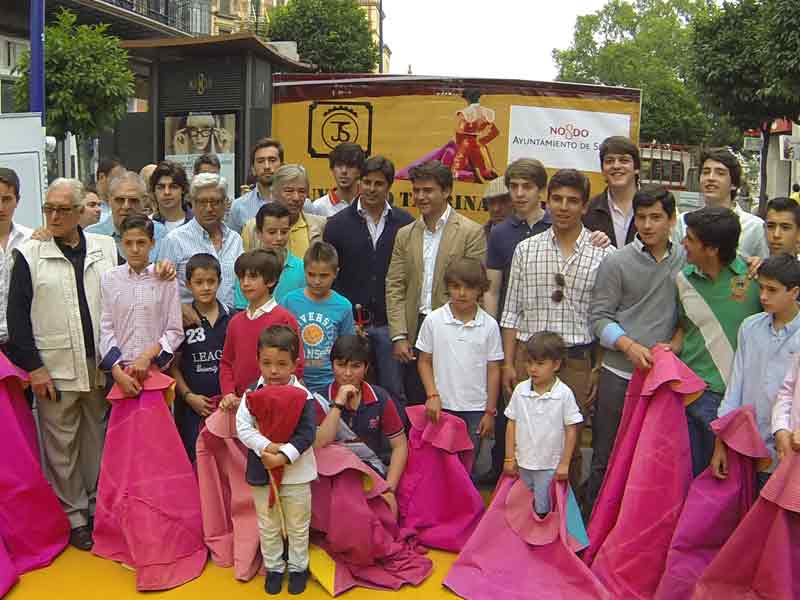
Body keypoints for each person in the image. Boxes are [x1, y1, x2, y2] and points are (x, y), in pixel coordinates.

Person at [7, 178, 118, 550]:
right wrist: (34, 368)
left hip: (100, 363)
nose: (53, 216)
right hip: (54, 367)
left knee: (97, 441)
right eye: (48, 209)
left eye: (62, 210)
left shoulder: (105, 247)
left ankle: (96, 508)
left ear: (79, 213)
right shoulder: (30, 253)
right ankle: (74, 519)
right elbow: (17, 316)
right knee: (61, 446)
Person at [500, 169, 613, 501]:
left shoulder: (602, 254)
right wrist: (509, 363)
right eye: (558, 199)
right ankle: (523, 521)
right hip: (527, 359)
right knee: (525, 441)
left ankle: (565, 525)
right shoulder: (525, 250)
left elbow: (604, 317)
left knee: (570, 446)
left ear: (583, 206)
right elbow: (511, 311)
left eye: (573, 201)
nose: (564, 207)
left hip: (576, 362)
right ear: (547, 202)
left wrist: (597, 368)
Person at [587, 185, 685, 510]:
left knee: (651, 463)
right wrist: (627, 346)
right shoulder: (616, 262)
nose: (647, 225)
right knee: (606, 455)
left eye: (656, 217)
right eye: (641, 217)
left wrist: (674, 343)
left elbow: (691, 315)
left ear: (671, 220)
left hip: (664, 379)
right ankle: (592, 532)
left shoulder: (686, 261)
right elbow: (599, 318)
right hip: (618, 374)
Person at [386, 160, 487, 406]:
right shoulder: (405, 234)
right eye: (416, 190)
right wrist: (399, 335)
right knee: (417, 403)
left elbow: (475, 287)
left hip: (456, 328)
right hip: (415, 328)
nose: (421, 196)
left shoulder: (470, 232)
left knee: (452, 402)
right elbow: (395, 285)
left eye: (428, 190)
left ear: (446, 191)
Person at [674, 206, 762, 476]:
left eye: (689, 238)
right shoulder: (682, 280)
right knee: (692, 482)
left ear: (711, 248)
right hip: (691, 396)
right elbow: (683, 329)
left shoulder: (756, 278)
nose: (682, 243)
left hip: (737, 402)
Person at [323, 155, 414, 404]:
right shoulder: (336, 225)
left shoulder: (405, 224)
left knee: (393, 390)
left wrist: (401, 329)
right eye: (366, 182)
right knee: (348, 387)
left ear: (389, 186)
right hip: (350, 323)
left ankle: (394, 441)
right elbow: (332, 275)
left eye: (378, 183)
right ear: (359, 182)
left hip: (389, 324)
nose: (371, 189)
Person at [236, 325, 317, 595]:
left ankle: (297, 568)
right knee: (267, 523)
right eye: (267, 363)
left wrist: (283, 457)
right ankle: (273, 567)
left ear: (295, 364)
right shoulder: (251, 393)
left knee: (297, 523)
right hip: (263, 472)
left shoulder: (304, 396)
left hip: (297, 473)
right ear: (258, 361)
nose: (273, 371)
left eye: (282, 364)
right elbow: (243, 428)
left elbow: (307, 434)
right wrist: (268, 448)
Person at [711, 255, 800, 488]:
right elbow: (735, 386)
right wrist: (721, 442)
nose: (763, 296)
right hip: (746, 446)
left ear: (794, 292)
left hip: (789, 450)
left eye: (772, 290)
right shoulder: (750, 327)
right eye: (761, 288)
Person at [416, 258, 503, 464]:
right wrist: (432, 395)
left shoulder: (489, 325)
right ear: (447, 288)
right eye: (456, 287)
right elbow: (424, 361)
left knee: (466, 468)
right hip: (441, 406)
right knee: (438, 466)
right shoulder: (433, 320)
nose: (462, 293)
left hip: (475, 409)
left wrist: (490, 411)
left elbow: (493, 370)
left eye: (469, 287)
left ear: (480, 289)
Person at [313, 334, 408, 515]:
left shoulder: (380, 397)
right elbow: (320, 443)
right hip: (331, 476)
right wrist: (338, 404)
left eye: (355, 366)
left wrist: (389, 489)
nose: (347, 373)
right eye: (341, 365)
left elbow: (400, 445)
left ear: (366, 368)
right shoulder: (318, 398)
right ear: (332, 365)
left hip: (371, 474)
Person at [503, 331, 583, 516]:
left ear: (556, 364)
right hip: (522, 463)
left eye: (540, 364)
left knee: (545, 509)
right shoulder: (520, 390)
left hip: (549, 465)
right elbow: (511, 424)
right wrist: (509, 458)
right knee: (521, 508)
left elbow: (571, 430)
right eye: (529, 363)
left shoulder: (564, 394)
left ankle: (544, 542)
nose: (532, 369)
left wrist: (564, 464)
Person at [219, 249, 304, 411]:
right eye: (241, 277)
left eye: (252, 277)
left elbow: (296, 366)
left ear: (270, 280)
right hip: (238, 407)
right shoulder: (235, 322)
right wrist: (228, 393)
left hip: (274, 407)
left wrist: (263, 397)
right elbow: (226, 363)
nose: (245, 283)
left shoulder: (284, 319)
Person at [170, 253, 232, 462]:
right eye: (199, 282)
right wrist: (188, 397)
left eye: (211, 281)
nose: (206, 287)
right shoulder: (181, 321)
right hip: (192, 408)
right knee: (196, 460)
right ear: (188, 284)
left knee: (227, 462)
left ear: (220, 282)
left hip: (227, 406)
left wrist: (230, 396)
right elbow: (174, 367)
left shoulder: (232, 319)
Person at [158, 172, 243, 314]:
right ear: (192, 203)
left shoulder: (235, 240)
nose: (209, 209)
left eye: (215, 202)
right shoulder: (174, 240)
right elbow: (160, 290)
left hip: (229, 323)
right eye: (202, 202)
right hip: (190, 325)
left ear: (225, 203)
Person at [280, 242, 355, 394]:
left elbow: (347, 349)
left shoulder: (343, 306)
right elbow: (279, 342)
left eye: (324, 275)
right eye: (311, 274)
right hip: (294, 380)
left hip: (330, 382)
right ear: (304, 271)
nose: (317, 281)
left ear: (336, 273)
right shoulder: (289, 301)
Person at [485, 158, 551, 320]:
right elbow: (492, 291)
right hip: (509, 326)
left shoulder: (557, 226)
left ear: (541, 190)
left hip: (549, 327)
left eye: (527, 186)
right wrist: (491, 333)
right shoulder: (499, 232)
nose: (519, 193)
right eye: (514, 187)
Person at [672, 148, 769, 258]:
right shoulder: (683, 222)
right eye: (706, 172)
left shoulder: (754, 227)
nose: (711, 178)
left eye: (720, 173)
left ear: (734, 184)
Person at [241, 164, 326, 257]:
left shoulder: (319, 226)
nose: (296, 198)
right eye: (289, 191)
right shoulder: (252, 228)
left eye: (302, 191)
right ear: (274, 193)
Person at [234, 202, 305, 308]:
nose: (279, 238)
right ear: (259, 233)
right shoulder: (246, 268)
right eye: (272, 232)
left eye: (284, 232)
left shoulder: (301, 268)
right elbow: (242, 309)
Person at [86, 170, 167, 263]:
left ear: (144, 201)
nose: (126, 206)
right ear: (109, 200)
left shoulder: (159, 233)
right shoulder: (92, 235)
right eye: (120, 200)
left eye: (133, 200)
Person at [583, 136, 640, 247]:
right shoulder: (588, 210)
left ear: (636, 168)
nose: (616, 166)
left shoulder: (655, 205)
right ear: (603, 170)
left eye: (624, 160)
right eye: (609, 161)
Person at [0, 168, 32, 357]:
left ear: (17, 201)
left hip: (22, 343)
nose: (0, 207)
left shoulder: (31, 240)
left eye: (6, 199)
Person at [228, 138, 283, 234]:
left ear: (282, 165)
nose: (267, 166)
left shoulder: (297, 203)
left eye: (272, 160)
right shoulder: (238, 207)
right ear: (253, 169)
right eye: (261, 161)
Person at [313, 142, 365, 217]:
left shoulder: (369, 203)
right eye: (339, 165)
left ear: (360, 170)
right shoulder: (318, 207)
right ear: (332, 169)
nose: (344, 171)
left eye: (350, 166)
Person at [150, 161, 192, 231]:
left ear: (183, 189)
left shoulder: (198, 223)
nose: (167, 192)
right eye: (161, 187)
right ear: (154, 191)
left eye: (173, 187)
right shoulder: (146, 225)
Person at [95, 157, 124, 221]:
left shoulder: (124, 205)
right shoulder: (87, 204)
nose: (121, 183)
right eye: (117, 178)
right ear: (102, 177)